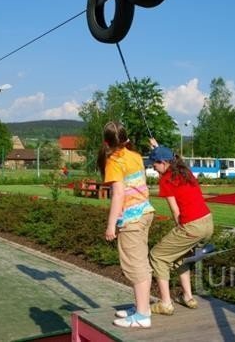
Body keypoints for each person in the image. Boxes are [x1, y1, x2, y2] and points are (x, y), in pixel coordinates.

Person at [97, 121, 155, 328]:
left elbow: (118, 194)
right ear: (125, 138)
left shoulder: (114, 161)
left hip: (131, 218)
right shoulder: (136, 156)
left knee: (135, 266)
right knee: (141, 263)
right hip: (145, 213)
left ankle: (142, 315)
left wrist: (111, 225)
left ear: (106, 142)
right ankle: (142, 307)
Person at [147, 138, 214, 316]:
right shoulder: (185, 171)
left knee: (158, 256)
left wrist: (181, 231)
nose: (152, 167)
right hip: (208, 222)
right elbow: (172, 157)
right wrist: (157, 147)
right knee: (180, 256)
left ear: (162, 163)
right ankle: (188, 296)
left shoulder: (166, 180)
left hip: (192, 226)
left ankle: (165, 303)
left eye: (153, 164)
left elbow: (176, 212)